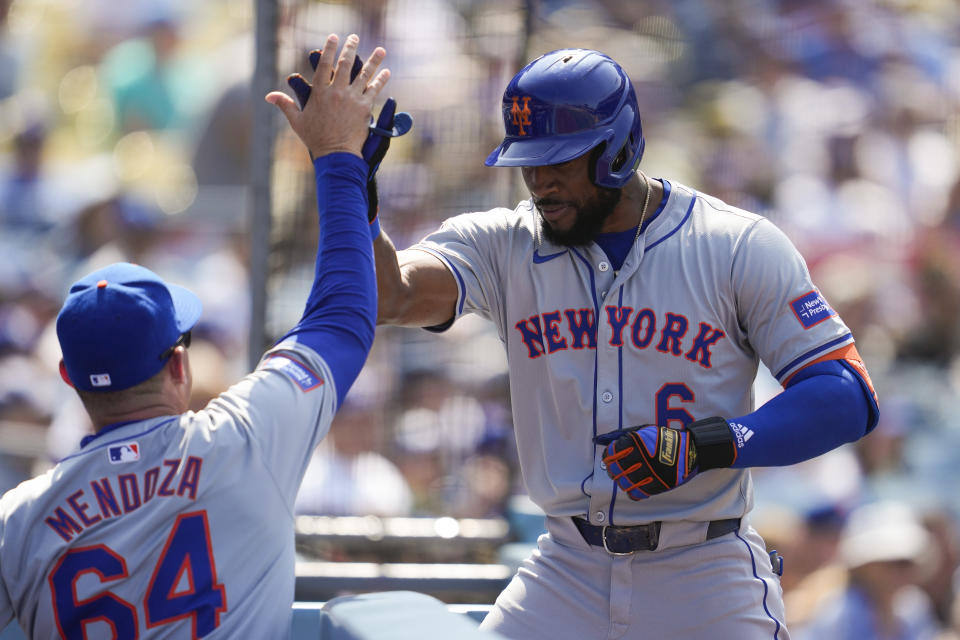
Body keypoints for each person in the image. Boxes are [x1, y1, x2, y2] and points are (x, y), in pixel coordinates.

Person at [373, 48, 879, 638]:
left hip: (703, 568)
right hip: (567, 564)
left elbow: (847, 394)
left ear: (616, 149)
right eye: (528, 163)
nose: (540, 181)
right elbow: (391, 297)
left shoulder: (734, 245)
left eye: (559, 161)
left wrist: (706, 444)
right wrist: (350, 185)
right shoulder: (505, 244)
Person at [0, 33, 386, 638]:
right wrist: (339, 158)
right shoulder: (245, 437)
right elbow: (343, 319)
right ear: (178, 366)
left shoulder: (16, 523)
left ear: (69, 379)